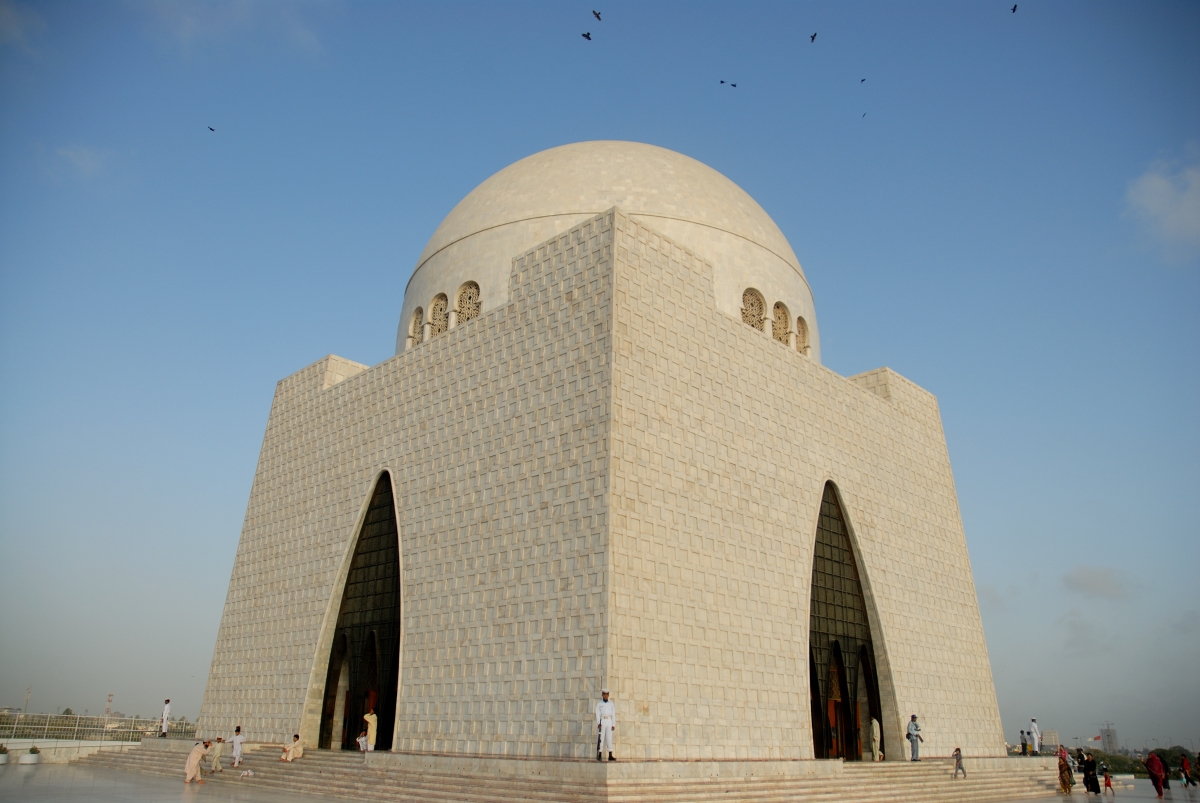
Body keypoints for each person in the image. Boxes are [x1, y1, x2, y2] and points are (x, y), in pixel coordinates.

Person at [595, 688, 616, 762]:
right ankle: (599, 754)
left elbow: (613, 714)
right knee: (601, 738)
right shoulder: (599, 703)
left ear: (608, 695)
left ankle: (610, 754)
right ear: (602, 695)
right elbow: (597, 714)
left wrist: (613, 724)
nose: (606, 696)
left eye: (607, 695)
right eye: (604, 694)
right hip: (602, 720)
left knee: (609, 738)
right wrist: (598, 723)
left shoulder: (611, 703)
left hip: (609, 721)